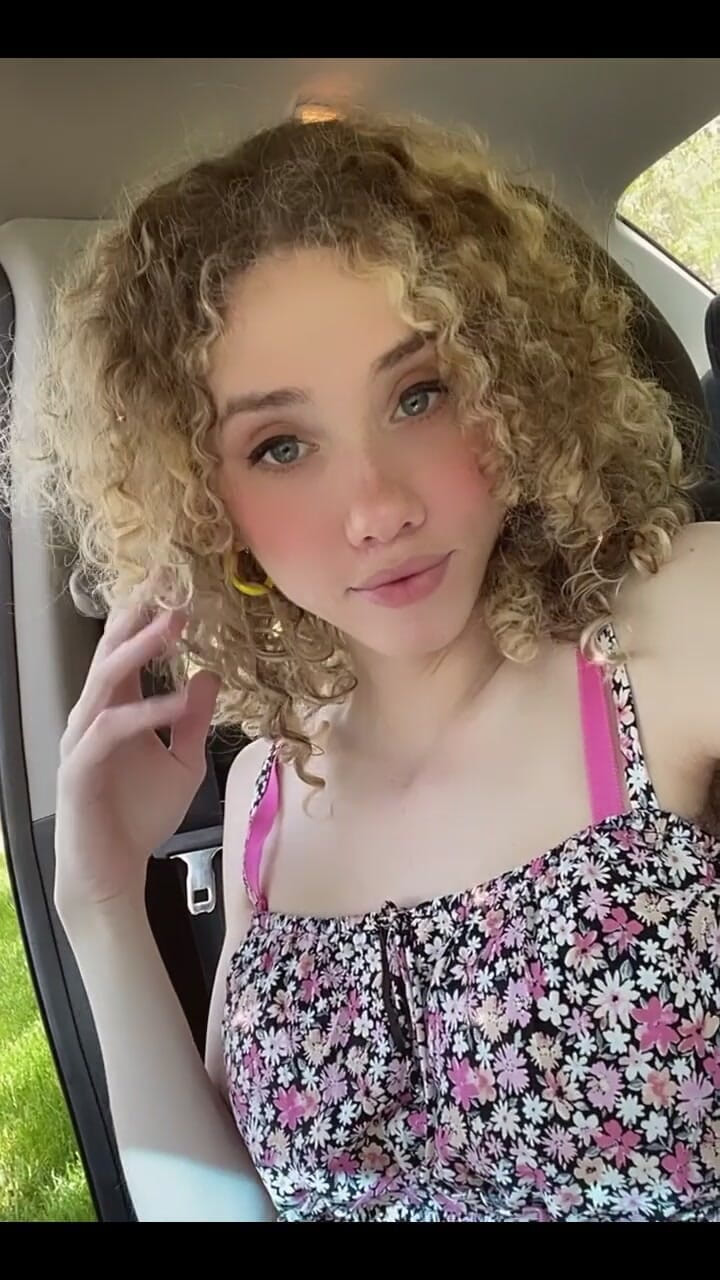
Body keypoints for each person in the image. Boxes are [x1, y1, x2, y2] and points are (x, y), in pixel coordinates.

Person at [15, 108, 720, 1222]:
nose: (377, 508)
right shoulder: (264, 799)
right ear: (205, 503)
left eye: (419, 394)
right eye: (281, 446)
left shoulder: (676, 627)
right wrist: (100, 907)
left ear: (513, 389)